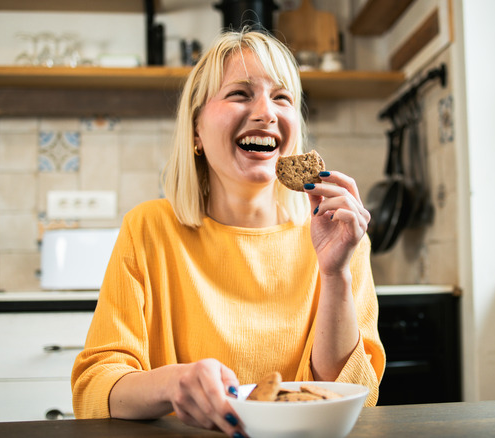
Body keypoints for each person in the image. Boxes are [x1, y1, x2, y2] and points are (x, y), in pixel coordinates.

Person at [71, 29, 385, 437]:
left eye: (282, 97)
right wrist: (172, 384)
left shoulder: (340, 238)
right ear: (197, 131)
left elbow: (353, 394)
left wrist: (334, 274)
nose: (267, 113)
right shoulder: (148, 229)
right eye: (240, 93)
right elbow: (95, 390)